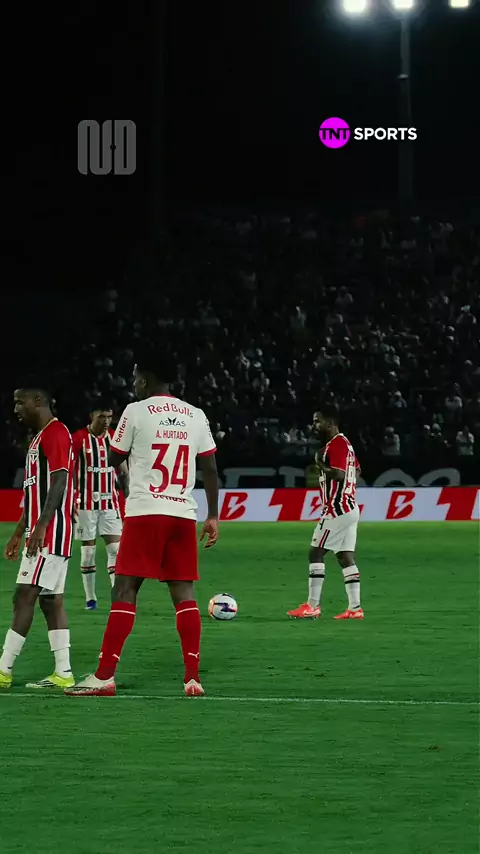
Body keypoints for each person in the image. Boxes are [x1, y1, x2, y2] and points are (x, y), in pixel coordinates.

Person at [65, 354, 219, 699]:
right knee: (184, 594)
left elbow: (114, 457)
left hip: (146, 511)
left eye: (136, 378)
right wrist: (212, 516)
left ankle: (104, 676)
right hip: (182, 513)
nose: (133, 384)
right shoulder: (196, 415)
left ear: (146, 381)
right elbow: (210, 468)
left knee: (124, 590)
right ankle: (192, 678)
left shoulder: (135, 411)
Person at [0, 388, 75, 690]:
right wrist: (19, 532)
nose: (16, 408)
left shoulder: (55, 432)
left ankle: (3, 669)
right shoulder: (37, 439)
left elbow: (60, 480)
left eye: (21, 402)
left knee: (24, 595)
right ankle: (64, 672)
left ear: (39, 402)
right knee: (50, 601)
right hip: (42, 531)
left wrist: (42, 526)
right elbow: (34, 494)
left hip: (50, 533)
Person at [287, 406, 363, 620]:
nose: (314, 425)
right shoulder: (346, 444)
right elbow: (356, 470)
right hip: (349, 507)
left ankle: (312, 606)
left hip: (337, 509)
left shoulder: (336, 444)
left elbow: (339, 475)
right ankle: (355, 608)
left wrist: (320, 464)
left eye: (317, 421)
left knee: (316, 553)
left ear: (330, 423)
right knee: (345, 557)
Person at [72, 404, 129, 610]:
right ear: (92, 416)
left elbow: (123, 472)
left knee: (115, 550)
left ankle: (117, 597)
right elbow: (69, 471)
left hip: (110, 503)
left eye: (109, 417)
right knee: (88, 553)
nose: (106, 421)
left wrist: (129, 499)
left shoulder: (115, 438)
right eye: (101, 417)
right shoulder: (78, 439)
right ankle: (90, 599)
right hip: (85, 504)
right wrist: (70, 500)